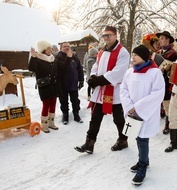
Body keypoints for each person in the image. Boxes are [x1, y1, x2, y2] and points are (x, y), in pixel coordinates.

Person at [74, 25, 130, 154]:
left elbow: (118, 72)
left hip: (114, 90)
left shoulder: (122, 52)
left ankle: (123, 140)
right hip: (101, 91)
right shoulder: (102, 51)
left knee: (118, 119)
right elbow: (96, 65)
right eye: (104, 35)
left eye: (109, 35)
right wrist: (93, 76)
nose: (106, 38)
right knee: (95, 117)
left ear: (116, 35)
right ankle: (89, 143)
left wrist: (99, 80)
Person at [120, 45, 165, 185]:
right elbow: (123, 89)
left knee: (143, 139)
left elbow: (158, 93)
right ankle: (143, 161)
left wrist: (138, 107)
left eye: (136, 55)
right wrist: (128, 106)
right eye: (132, 55)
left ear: (144, 57)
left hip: (146, 112)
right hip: (132, 112)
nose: (132, 57)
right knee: (136, 137)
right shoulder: (129, 72)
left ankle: (143, 166)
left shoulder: (154, 73)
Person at [28, 40, 68, 133]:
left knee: (53, 104)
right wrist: (33, 57)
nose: (50, 50)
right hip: (44, 86)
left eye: (50, 48)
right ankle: (44, 124)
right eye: (48, 48)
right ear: (43, 50)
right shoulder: (38, 59)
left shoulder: (53, 59)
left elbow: (62, 68)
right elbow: (31, 68)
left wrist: (68, 58)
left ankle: (51, 123)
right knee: (46, 105)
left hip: (53, 86)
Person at [156, 31, 177, 135]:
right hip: (158, 81)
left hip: (167, 82)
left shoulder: (174, 54)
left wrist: (167, 69)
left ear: (168, 40)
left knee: (167, 103)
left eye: (162, 38)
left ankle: (168, 124)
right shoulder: (159, 52)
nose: (160, 41)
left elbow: (176, 69)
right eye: (159, 39)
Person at [56, 42, 84, 125]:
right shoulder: (58, 58)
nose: (67, 48)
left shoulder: (75, 58)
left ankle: (76, 115)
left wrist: (81, 80)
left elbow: (79, 69)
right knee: (64, 101)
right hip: (62, 84)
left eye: (68, 46)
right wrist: (68, 58)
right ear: (61, 48)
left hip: (73, 83)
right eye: (65, 46)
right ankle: (65, 116)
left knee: (75, 101)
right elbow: (62, 69)